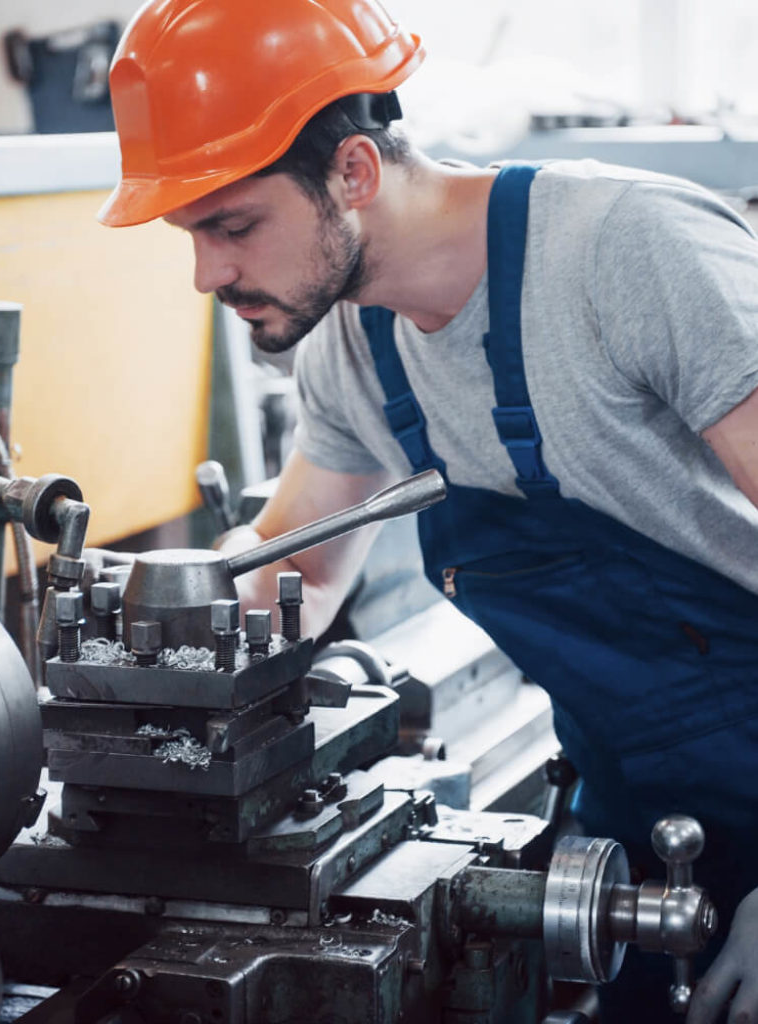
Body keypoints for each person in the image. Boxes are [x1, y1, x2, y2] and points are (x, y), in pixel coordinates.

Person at [97, 1, 758, 1020]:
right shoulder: (353, 345)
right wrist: (167, 620)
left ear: (354, 172)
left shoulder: (629, 254)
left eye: (234, 225)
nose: (207, 274)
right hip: (635, 816)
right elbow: (302, 569)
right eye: (192, 234)